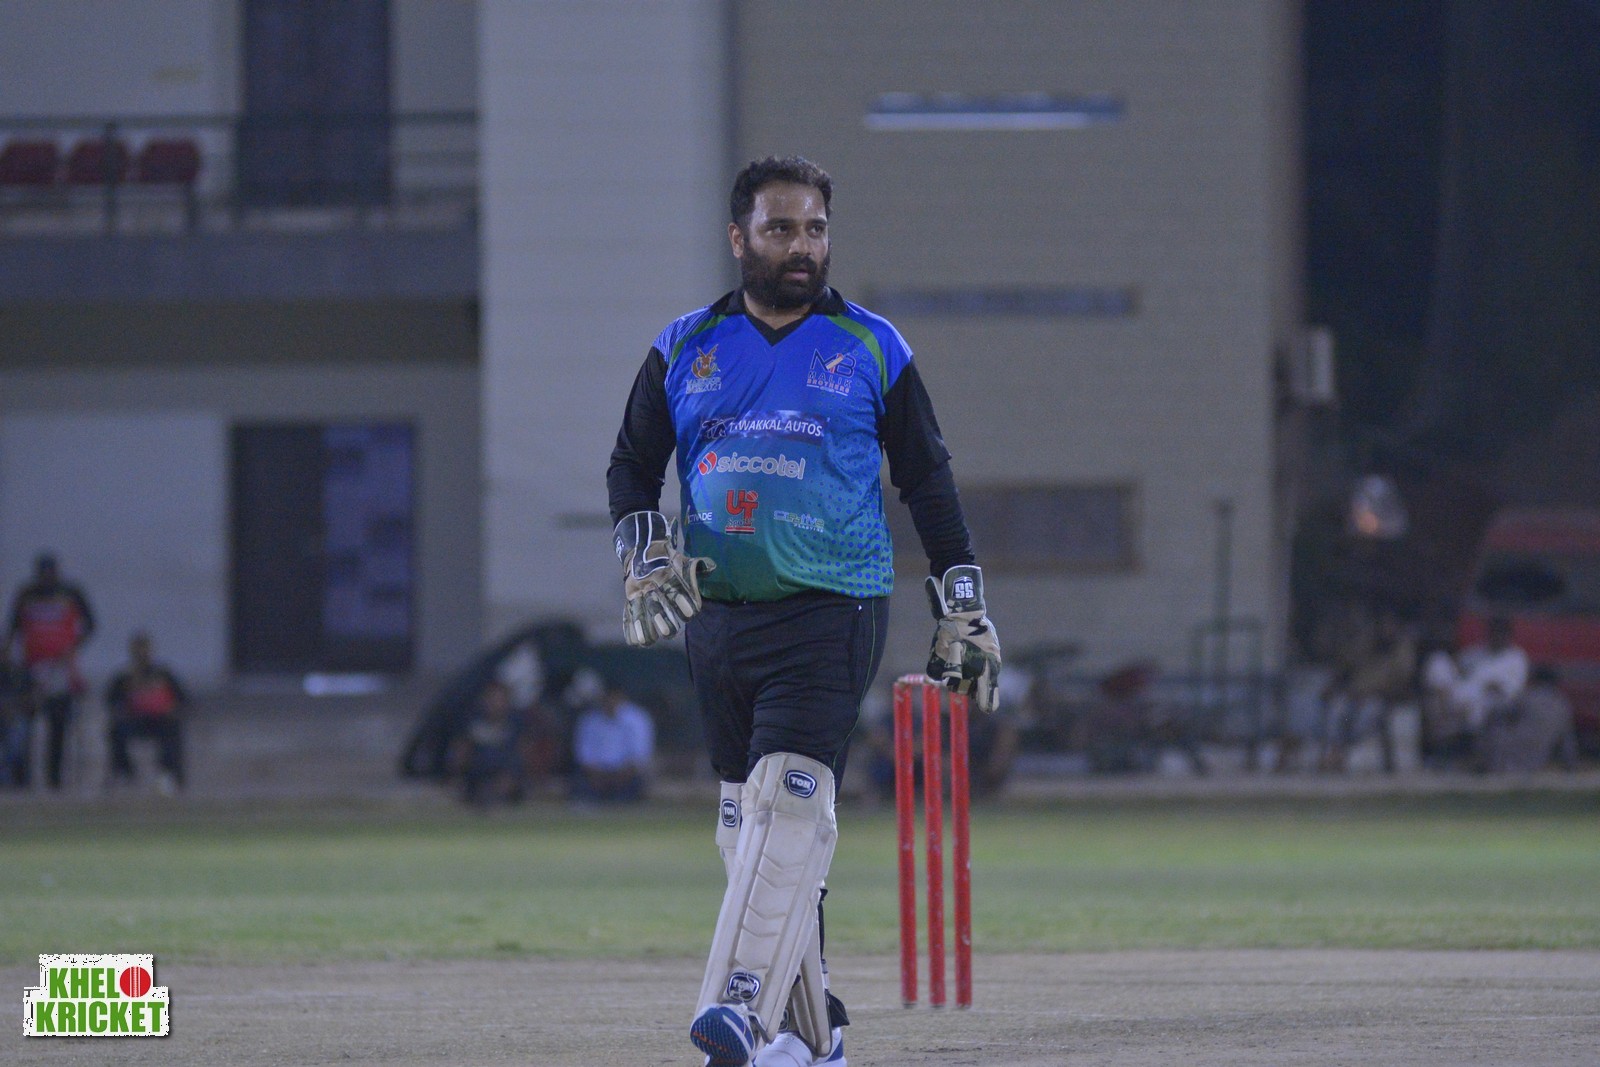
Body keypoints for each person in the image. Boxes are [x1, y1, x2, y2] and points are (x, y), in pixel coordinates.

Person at [607, 155, 1000, 1067]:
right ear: (739, 237)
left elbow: (928, 478)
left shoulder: (871, 345)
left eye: (815, 229)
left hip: (833, 606)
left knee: (789, 799)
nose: (802, 246)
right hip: (716, 614)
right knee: (747, 830)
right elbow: (631, 466)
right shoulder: (685, 344)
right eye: (781, 228)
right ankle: (813, 1035)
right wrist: (643, 551)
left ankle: (736, 1010)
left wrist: (963, 602)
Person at [5, 553, 95, 790]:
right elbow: (12, 627)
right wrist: (8, 659)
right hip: (30, 668)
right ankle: (21, 778)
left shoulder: (71, 593)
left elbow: (91, 624)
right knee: (25, 722)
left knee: (58, 724)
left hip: (61, 668)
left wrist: (73, 647)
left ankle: (54, 778)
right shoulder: (26, 594)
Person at [1421, 614, 1529, 768]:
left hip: (1490, 701)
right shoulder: (1478, 651)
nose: (1496, 636)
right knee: (1438, 661)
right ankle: (1441, 735)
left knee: (1475, 705)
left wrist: (1484, 685)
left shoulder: (1516, 657)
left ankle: (1458, 748)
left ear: (1507, 635)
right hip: (1459, 694)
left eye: (1500, 633)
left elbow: (1511, 691)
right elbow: (1458, 664)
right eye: (1493, 632)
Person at [104, 632, 189, 794]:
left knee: (172, 729)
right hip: (134, 720)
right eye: (138, 649)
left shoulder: (163, 674)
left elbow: (182, 698)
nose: (142, 653)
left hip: (160, 720)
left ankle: (168, 773)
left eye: (145, 649)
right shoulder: (124, 677)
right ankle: (125, 772)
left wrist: (173, 708)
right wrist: (121, 710)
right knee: (116, 730)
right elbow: (111, 700)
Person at [566, 667, 655, 805]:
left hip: (625, 776)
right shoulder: (589, 720)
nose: (610, 701)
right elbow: (584, 756)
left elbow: (639, 757)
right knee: (579, 785)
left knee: (635, 786)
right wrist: (597, 777)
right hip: (595, 777)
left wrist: (619, 777)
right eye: (607, 696)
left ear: (622, 697)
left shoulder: (638, 719)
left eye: (614, 696)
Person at [1479, 664, 1580, 773]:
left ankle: (1482, 765)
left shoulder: (1527, 697)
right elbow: (1567, 743)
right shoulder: (1563, 705)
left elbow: (1497, 714)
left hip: (1506, 758)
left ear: (1536, 679)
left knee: (1493, 725)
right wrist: (1571, 766)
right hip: (1536, 762)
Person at [449, 679, 528, 807]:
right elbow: (461, 749)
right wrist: (456, 773)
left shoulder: (516, 723)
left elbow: (522, 751)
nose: (495, 703)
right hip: (476, 774)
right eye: (492, 699)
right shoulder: (472, 721)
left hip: (506, 774)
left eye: (500, 699)